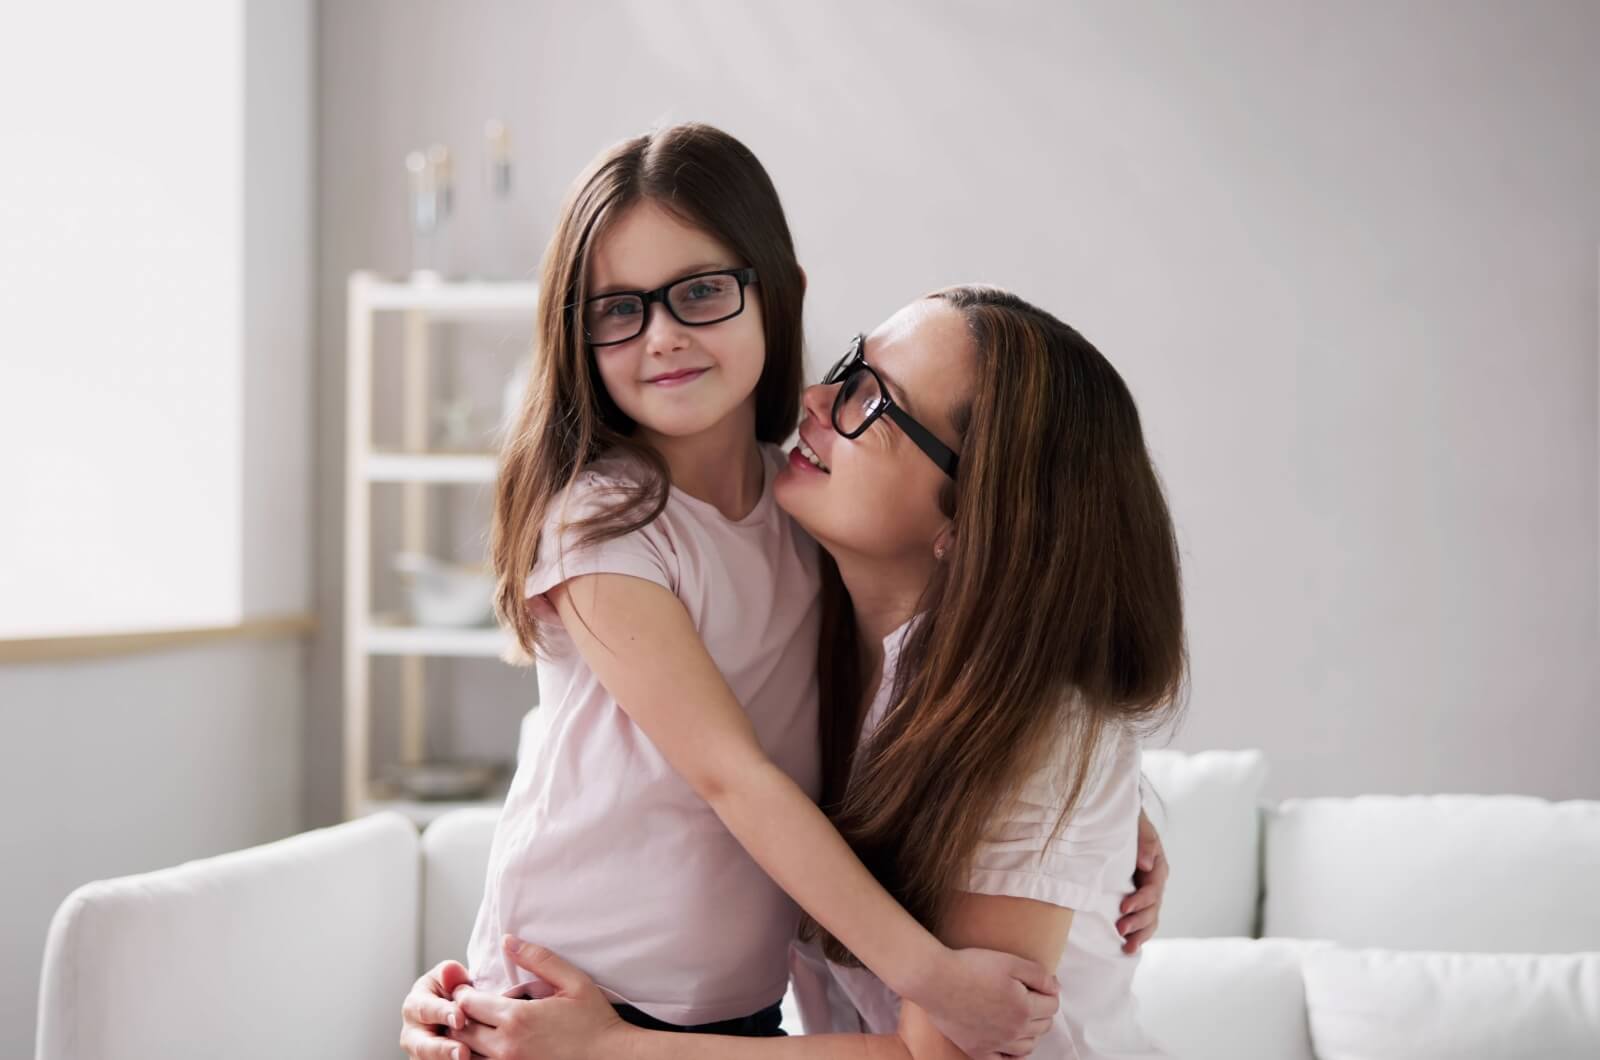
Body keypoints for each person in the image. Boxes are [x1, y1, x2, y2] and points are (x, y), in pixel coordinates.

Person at [414, 285, 1187, 1059]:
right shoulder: (807, 625)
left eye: (869, 401)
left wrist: (606, 1048)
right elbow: (604, 761)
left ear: (971, 516)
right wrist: (468, 999)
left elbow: (942, 1056)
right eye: (850, 366)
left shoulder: (1038, 737)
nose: (817, 398)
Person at [445, 123, 1070, 1059]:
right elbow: (729, 774)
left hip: (730, 1008)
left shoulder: (809, 507)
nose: (662, 338)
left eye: (699, 293)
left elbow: (940, 674)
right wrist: (932, 978)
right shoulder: (601, 522)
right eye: (617, 309)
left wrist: (1107, 810)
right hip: (568, 995)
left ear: (775, 294)